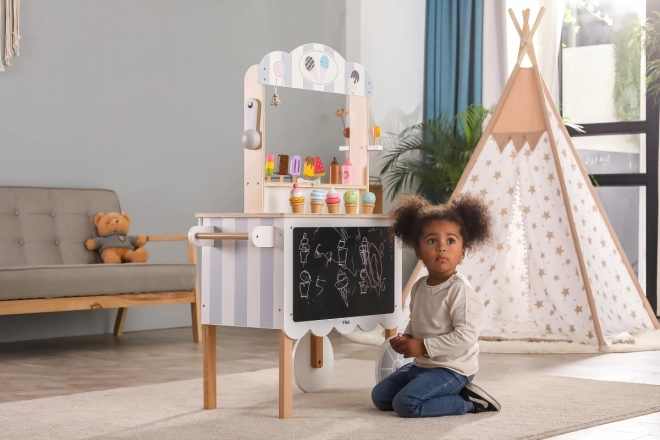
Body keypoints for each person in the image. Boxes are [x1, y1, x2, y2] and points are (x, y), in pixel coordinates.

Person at [371, 193, 501, 418]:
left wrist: (422, 347)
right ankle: (425, 386)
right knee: (380, 397)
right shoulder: (420, 285)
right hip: (424, 365)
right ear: (418, 251)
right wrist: (408, 338)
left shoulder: (460, 291)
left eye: (450, 241)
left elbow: (465, 338)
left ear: (462, 252)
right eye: (432, 241)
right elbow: (417, 319)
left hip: (453, 368)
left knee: (406, 404)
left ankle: (468, 402)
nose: (442, 247)